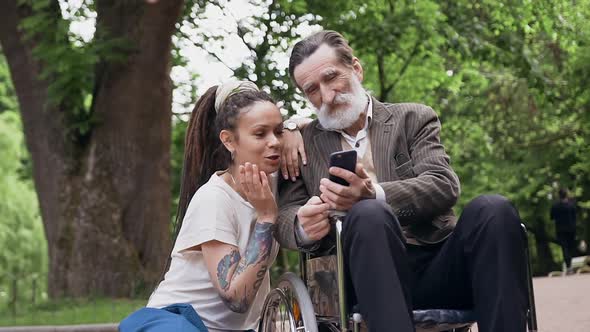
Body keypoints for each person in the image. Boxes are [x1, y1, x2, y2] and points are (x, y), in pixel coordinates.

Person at [275, 30, 528, 332]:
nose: (326, 95)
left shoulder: (413, 118)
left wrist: (374, 194)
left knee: (494, 209)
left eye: (332, 78)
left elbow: (442, 184)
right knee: (369, 215)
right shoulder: (301, 143)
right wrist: (303, 225)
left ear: (356, 69)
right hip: (358, 277)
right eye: (312, 89)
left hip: (435, 263)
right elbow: (284, 217)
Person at [120, 80, 285, 332]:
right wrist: (266, 217)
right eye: (261, 133)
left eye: (279, 131)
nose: (274, 142)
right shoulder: (214, 198)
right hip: (178, 322)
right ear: (229, 141)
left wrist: (295, 129)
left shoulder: (274, 182)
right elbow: (237, 298)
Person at [550, 188, 577, 273]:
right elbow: (575, 217)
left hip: (560, 229)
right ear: (566, 195)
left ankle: (568, 266)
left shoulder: (555, 206)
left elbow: (552, 217)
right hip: (571, 229)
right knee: (570, 247)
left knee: (564, 248)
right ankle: (570, 265)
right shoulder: (571, 205)